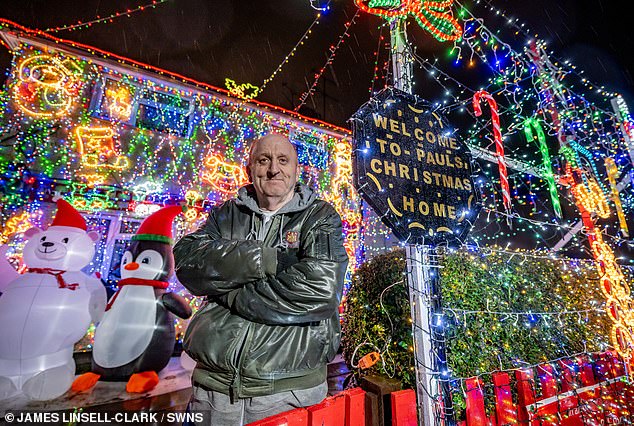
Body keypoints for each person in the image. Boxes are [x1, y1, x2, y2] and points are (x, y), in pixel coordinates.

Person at [173, 132, 348, 425]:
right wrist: (266, 260)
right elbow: (188, 262)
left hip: (288, 391)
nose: (273, 169)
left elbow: (320, 291)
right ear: (249, 168)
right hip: (213, 391)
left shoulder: (319, 217)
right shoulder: (227, 214)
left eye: (283, 160)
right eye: (263, 160)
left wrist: (229, 293)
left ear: (296, 170)